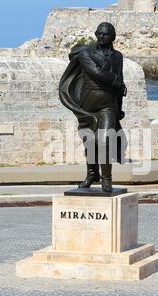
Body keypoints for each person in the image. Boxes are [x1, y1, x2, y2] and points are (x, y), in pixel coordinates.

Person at [59, 22, 127, 193]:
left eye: (105, 34)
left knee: (105, 140)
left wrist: (119, 108)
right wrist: (116, 81)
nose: (101, 36)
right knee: (90, 142)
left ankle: (106, 179)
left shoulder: (118, 57)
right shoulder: (85, 53)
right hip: (87, 104)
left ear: (113, 37)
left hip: (107, 105)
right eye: (99, 33)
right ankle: (92, 174)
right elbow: (96, 72)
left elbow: (120, 85)